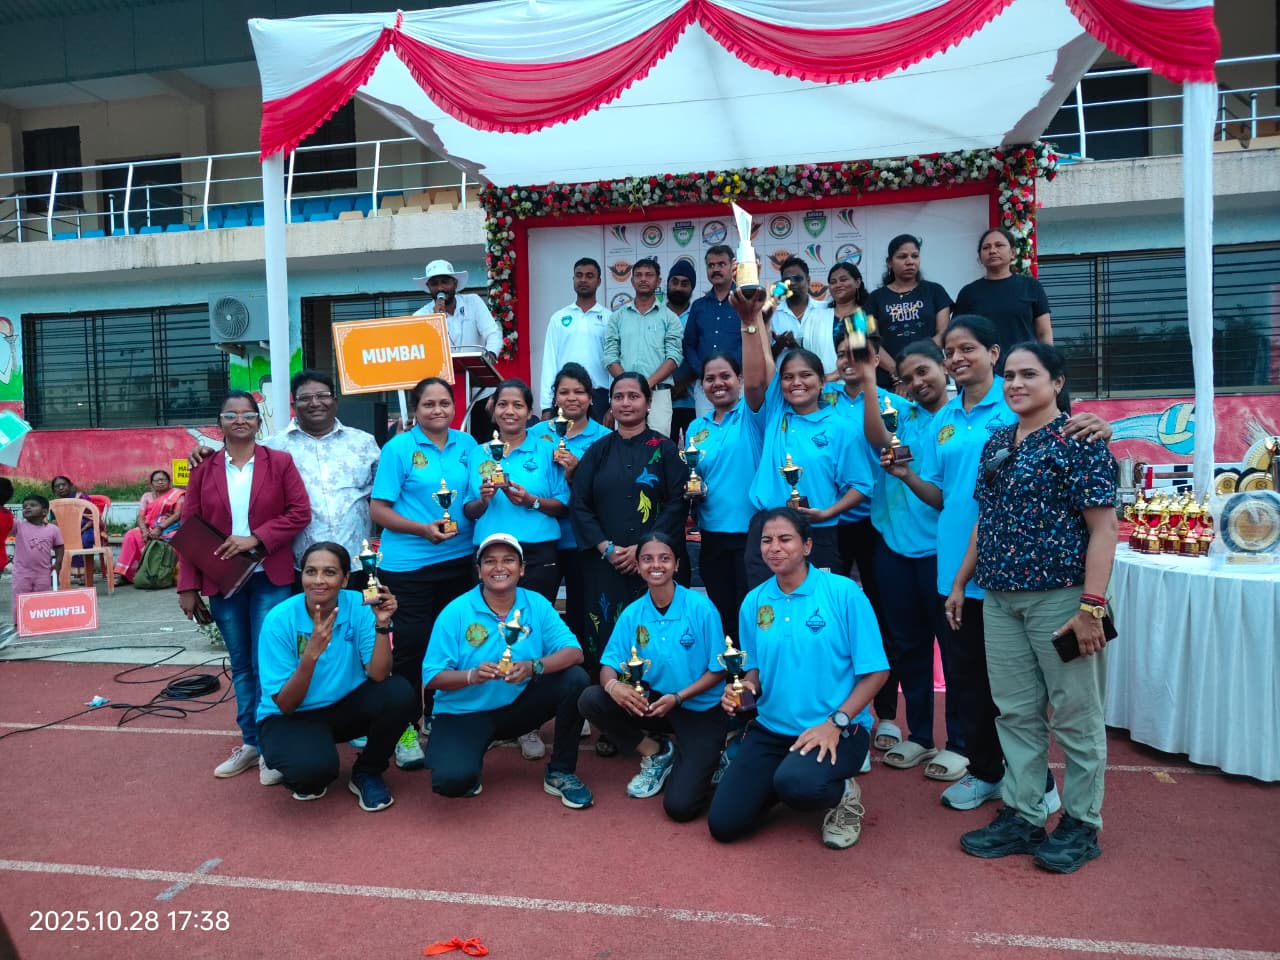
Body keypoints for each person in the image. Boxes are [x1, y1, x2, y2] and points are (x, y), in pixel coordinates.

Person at [886, 316, 1110, 809]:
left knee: (1039, 696)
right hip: (962, 568)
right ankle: (990, 773)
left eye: (968, 348)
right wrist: (906, 477)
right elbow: (952, 499)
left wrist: (1102, 425)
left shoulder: (1018, 408)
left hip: (1035, 581)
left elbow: (1094, 501)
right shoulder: (951, 420)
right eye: (950, 351)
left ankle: (1048, 793)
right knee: (972, 685)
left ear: (993, 352)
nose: (957, 358)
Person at [955, 343, 1117, 874]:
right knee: (1016, 713)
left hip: (1062, 600)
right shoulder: (998, 442)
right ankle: (1024, 814)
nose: (1016, 384)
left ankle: (1081, 824)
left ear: (1057, 383)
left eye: (1029, 374)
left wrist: (1091, 608)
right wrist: (960, 582)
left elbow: (1104, 529)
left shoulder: (1079, 441)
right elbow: (987, 519)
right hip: (1000, 600)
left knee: (1075, 715)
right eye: (1009, 375)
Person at [707, 508, 888, 849]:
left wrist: (836, 723)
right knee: (724, 824)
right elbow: (754, 669)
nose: (774, 548)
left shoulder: (843, 593)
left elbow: (877, 671)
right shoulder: (754, 601)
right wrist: (744, 689)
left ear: (807, 546)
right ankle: (785, 777)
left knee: (799, 785)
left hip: (837, 729)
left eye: (785, 539)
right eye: (767, 540)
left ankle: (843, 794)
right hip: (771, 730)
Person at [177, 391, 312, 782]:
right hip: (223, 580)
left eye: (248, 414)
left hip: (269, 574)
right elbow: (189, 529)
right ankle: (251, 743)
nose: (240, 420)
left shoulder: (279, 463)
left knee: (266, 661)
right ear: (219, 422)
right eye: (231, 414)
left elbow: (299, 513)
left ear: (258, 421)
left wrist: (256, 539)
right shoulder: (203, 469)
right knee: (240, 664)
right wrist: (188, 586)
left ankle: (272, 748)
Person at [423, 533, 594, 809]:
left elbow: (574, 652)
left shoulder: (536, 604)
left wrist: (533, 667)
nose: (499, 567)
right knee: (452, 782)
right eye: (490, 561)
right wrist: (471, 676)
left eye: (508, 560)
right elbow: (432, 677)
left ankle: (561, 771)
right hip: (464, 713)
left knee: (576, 679)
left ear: (522, 568)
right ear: (479, 571)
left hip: (517, 708)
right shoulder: (456, 611)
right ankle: (470, 752)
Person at [256, 542, 418, 811]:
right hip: (291, 715)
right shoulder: (279, 620)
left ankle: (367, 771)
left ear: (345, 579)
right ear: (302, 576)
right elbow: (286, 704)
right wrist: (311, 655)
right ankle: (304, 759)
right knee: (311, 776)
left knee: (398, 692)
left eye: (329, 572)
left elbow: (379, 675)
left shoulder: (360, 604)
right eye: (311, 571)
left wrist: (382, 624)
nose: (318, 580)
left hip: (342, 707)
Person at [578, 533, 728, 819]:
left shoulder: (700, 608)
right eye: (647, 559)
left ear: (677, 564)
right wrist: (613, 686)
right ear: (638, 566)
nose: (656, 565)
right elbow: (609, 664)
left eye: (664, 558)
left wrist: (679, 697)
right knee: (592, 699)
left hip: (698, 707)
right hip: (657, 704)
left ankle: (717, 755)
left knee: (681, 807)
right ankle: (656, 751)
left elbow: (719, 669)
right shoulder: (633, 613)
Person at [370, 377, 478, 771]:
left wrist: (485, 500)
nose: (437, 410)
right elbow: (378, 510)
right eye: (429, 404)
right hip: (409, 565)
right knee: (411, 647)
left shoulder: (468, 444)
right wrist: (422, 529)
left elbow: (471, 504)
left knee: (451, 644)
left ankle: (437, 713)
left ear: (454, 407)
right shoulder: (398, 448)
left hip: (458, 560)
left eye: (444, 403)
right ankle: (404, 727)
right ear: (415, 409)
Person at [190, 370, 381, 588]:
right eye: (305, 398)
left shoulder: (364, 443)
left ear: (335, 401)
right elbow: (236, 460)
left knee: (357, 611)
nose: (315, 403)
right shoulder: (274, 446)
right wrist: (205, 453)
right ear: (294, 405)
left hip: (356, 560)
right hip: (301, 566)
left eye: (322, 396)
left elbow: (386, 494)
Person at [855, 342, 950, 769]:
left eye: (924, 371)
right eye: (908, 378)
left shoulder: (960, 417)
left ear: (944, 366)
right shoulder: (901, 414)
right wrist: (868, 372)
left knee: (953, 649)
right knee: (908, 646)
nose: (917, 383)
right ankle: (921, 736)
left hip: (943, 552)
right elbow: (877, 437)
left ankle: (961, 742)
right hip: (893, 548)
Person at [738, 290, 873, 586]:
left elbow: (861, 486)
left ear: (823, 381)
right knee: (768, 605)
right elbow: (760, 373)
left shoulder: (841, 427)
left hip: (819, 531)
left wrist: (827, 513)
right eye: (788, 377)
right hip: (768, 526)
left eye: (806, 375)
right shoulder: (775, 413)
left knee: (818, 607)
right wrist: (754, 322)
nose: (796, 382)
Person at [569, 373, 690, 692]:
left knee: (655, 636)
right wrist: (606, 548)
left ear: (648, 403)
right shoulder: (597, 451)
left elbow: (678, 503)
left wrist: (643, 550)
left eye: (634, 396)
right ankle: (611, 705)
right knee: (606, 634)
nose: (626, 403)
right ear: (610, 403)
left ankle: (660, 705)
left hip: (652, 566)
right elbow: (579, 503)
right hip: (605, 565)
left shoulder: (665, 450)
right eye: (618, 397)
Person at [464, 378, 568, 602]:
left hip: (537, 552)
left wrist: (531, 501)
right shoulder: (478, 453)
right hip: (490, 551)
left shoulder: (547, 451)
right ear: (493, 410)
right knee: (491, 619)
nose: (509, 411)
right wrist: (483, 501)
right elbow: (468, 510)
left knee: (535, 618)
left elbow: (563, 505)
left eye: (518, 405)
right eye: (502, 404)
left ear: (529, 412)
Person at [528, 363, 610, 648]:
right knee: (536, 612)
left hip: (582, 542)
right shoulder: (536, 434)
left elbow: (606, 493)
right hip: (542, 540)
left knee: (581, 612)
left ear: (591, 397)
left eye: (579, 391)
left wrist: (577, 474)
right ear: (555, 397)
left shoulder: (604, 438)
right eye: (564, 392)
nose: (572, 398)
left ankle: (581, 667)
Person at [684, 351, 761, 641]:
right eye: (710, 378)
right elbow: (694, 474)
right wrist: (693, 489)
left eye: (725, 376)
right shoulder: (696, 428)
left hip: (751, 534)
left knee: (751, 615)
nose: (718, 383)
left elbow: (759, 384)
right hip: (712, 535)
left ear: (740, 380)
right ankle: (731, 669)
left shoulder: (752, 415)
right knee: (724, 616)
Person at [412, 258, 503, 438]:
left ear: (454, 283)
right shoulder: (420, 316)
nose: (440, 288)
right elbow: (421, 354)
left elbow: (493, 333)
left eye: (445, 282)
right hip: (442, 396)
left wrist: (490, 355)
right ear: (428, 287)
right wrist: (435, 320)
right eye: (435, 283)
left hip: (479, 392)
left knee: (484, 441)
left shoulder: (473, 302)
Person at [604, 258, 683, 437]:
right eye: (638, 275)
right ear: (632, 281)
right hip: (625, 395)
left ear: (658, 281)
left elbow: (674, 358)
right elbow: (610, 357)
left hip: (659, 394)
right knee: (625, 444)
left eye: (649, 275)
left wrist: (644, 385)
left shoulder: (670, 318)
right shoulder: (617, 317)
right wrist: (630, 386)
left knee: (657, 446)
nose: (643, 279)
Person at [954, 227, 1052, 365]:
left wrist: (1049, 365)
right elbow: (958, 336)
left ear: (1013, 253)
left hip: (1025, 366)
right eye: (986, 247)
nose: (992, 251)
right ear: (980, 257)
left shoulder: (1031, 286)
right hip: (984, 370)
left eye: (999, 245)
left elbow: (1044, 333)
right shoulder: (968, 293)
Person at [864, 234, 953, 385]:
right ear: (889, 262)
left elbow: (944, 334)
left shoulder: (935, 291)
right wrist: (897, 372)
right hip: (889, 380)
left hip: (930, 374)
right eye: (902, 256)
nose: (910, 261)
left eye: (915, 256)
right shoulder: (875, 298)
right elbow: (871, 340)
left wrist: (915, 368)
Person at [539, 258, 610, 422]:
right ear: (573, 279)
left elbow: (614, 362)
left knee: (598, 439)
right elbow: (550, 361)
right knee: (564, 439)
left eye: (589, 276)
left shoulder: (609, 318)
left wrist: (612, 403)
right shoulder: (558, 318)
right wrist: (546, 406)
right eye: (579, 275)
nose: (583, 280)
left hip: (600, 397)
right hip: (565, 395)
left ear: (598, 281)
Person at [683, 244, 740, 417]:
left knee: (738, 430)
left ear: (733, 266)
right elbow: (689, 344)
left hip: (739, 383)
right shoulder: (699, 306)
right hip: (706, 386)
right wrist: (701, 371)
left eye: (721, 264)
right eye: (711, 265)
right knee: (706, 430)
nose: (716, 269)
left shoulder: (745, 300)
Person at [800, 261, 867, 381]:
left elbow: (865, 354)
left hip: (856, 385)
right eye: (833, 282)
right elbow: (806, 352)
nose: (838, 285)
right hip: (820, 386)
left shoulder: (865, 315)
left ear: (857, 283)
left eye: (843, 280)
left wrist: (832, 377)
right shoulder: (816, 316)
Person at [114, 469, 184, 583]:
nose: (160, 482)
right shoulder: (146, 496)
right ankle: (125, 574)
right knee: (131, 534)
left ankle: (168, 573)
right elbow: (141, 516)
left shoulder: (177, 495)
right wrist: (144, 531)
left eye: (163, 479)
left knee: (177, 537)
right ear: (151, 483)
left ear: (169, 482)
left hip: (170, 528)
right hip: (149, 528)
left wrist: (160, 528)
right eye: (157, 480)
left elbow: (177, 515)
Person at [11, 494, 63, 620]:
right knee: (20, 598)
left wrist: (58, 563)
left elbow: (59, 546)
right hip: (21, 573)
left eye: (32, 505)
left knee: (42, 599)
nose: (27, 508)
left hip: (43, 572)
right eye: (25, 506)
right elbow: (5, 521)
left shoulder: (53, 529)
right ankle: (19, 622)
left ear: (44, 511)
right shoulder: (18, 526)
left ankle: (40, 622)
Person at [666, 260, 699, 442]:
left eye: (685, 283)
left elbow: (704, 353)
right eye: (675, 282)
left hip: (694, 398)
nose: (678, 287)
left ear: (692, 287)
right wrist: (670, 385)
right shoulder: (657, 316)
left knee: (696, 451)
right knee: (662, 452)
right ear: (667, 284)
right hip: (662, 400)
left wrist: (683, 383)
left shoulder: (698, 316)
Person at [772, 256, 831, 348]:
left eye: (797, 278)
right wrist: (779, 346)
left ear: (808, 281)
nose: (792, 283)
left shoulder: (826, 309)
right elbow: (764, 354)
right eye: (787, 280)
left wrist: (795, 346)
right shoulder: (772, 315)